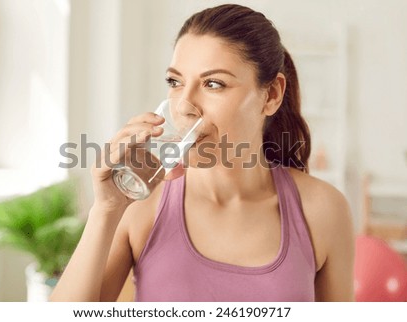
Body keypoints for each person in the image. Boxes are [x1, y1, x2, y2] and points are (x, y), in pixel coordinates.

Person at [50, 4, 355, 302]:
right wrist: (105, 210)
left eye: (213, 84)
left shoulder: (323, 211)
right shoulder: (140, 206)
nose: (183, 105)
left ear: (271, 95)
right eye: (175, 82)